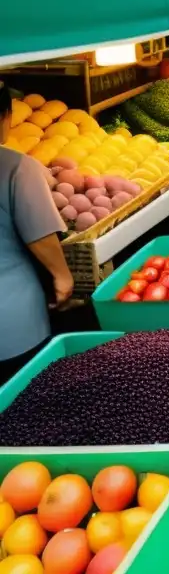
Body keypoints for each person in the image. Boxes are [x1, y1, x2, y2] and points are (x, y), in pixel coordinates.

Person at [0, 82, 74, 385]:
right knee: (20, 408)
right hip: (12, 324)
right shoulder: (16, 167)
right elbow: (39, 232)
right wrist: (62, 275)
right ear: (5, 116)